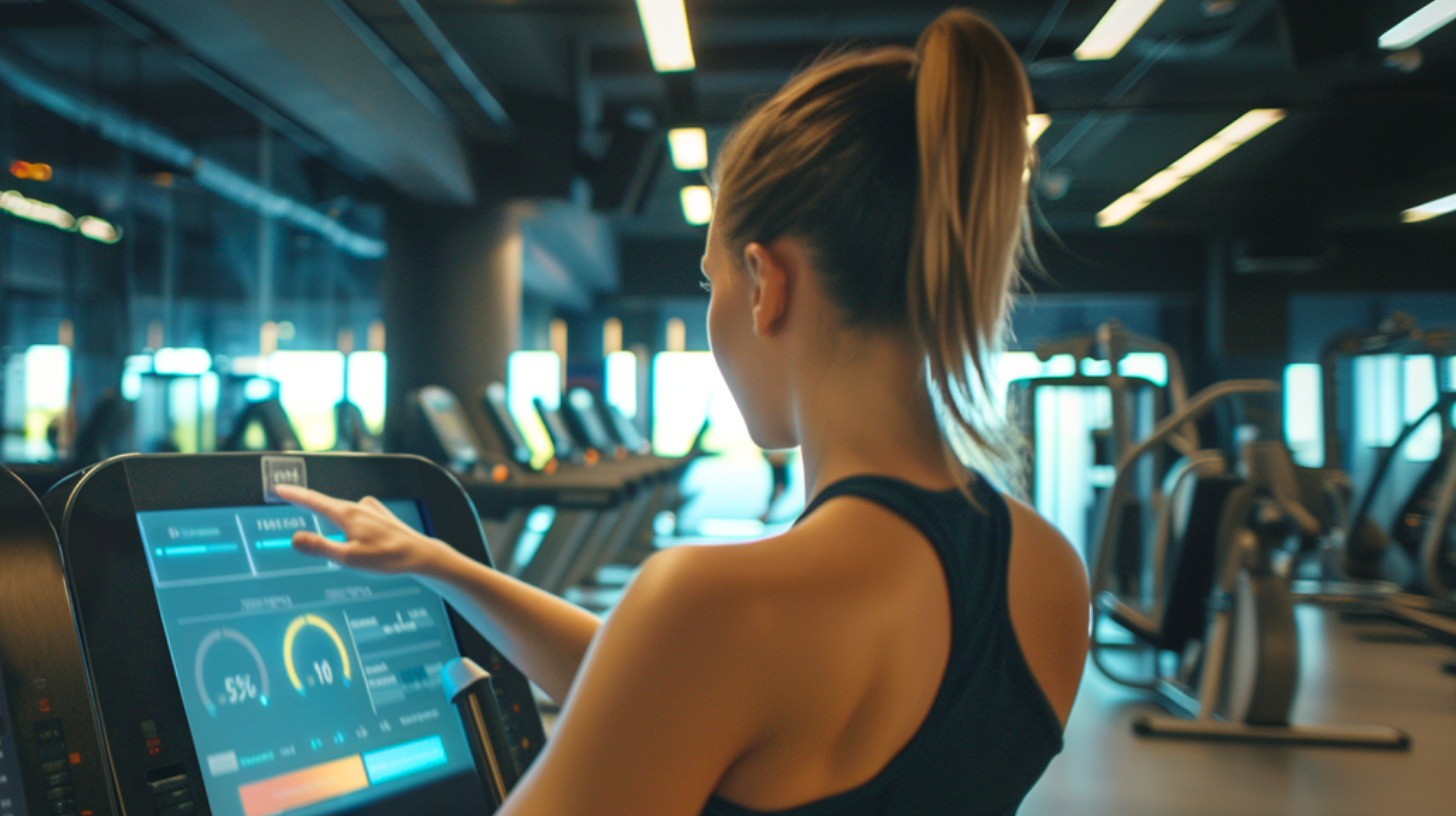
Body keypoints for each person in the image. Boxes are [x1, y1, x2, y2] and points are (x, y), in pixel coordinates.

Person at [277, 9, 1089, 815]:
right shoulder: (1047, 574)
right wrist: (444, 567)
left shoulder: (718, 607)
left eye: (711, 280)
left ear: (766, 284)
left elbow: (691, 677)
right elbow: (678, 695)